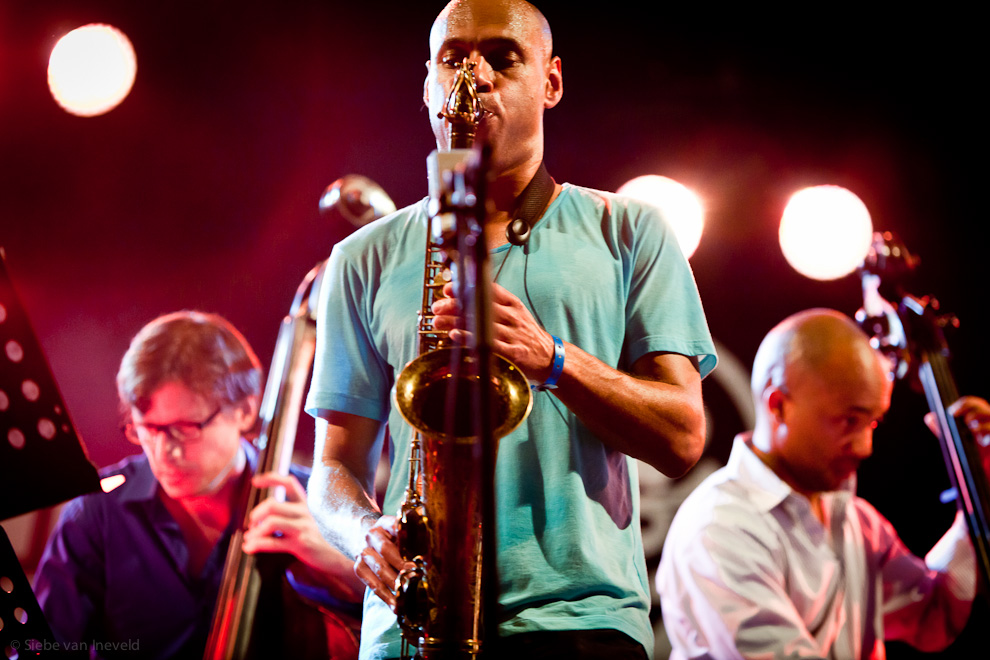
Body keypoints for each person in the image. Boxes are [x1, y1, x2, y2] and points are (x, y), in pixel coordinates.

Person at [304, 1, 717, 658]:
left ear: (551, 82)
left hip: (580, 625)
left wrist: (552, 360)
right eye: (454, 59)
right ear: (428, 85)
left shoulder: (631, 230)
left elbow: (682, 436)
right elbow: (333, 467)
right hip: (410, 629)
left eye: (502, 58)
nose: (476, 77)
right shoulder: (363, 256)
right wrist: (362, 536)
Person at [656, 308, 986, 659]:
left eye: (872, 423)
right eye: (849, 420)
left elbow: (933, 614)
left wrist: (980, 488)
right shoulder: (720, 527)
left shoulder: (856, 520)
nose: (865, 447)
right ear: (779, 405)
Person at [33, 311, 364, 659]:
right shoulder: (95, 512)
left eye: (186, 427)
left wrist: (347, 570)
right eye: (148, 428)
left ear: (245, 410)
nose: (165, 452)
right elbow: (46, 646)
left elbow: (398, 628)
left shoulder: (319, 503)